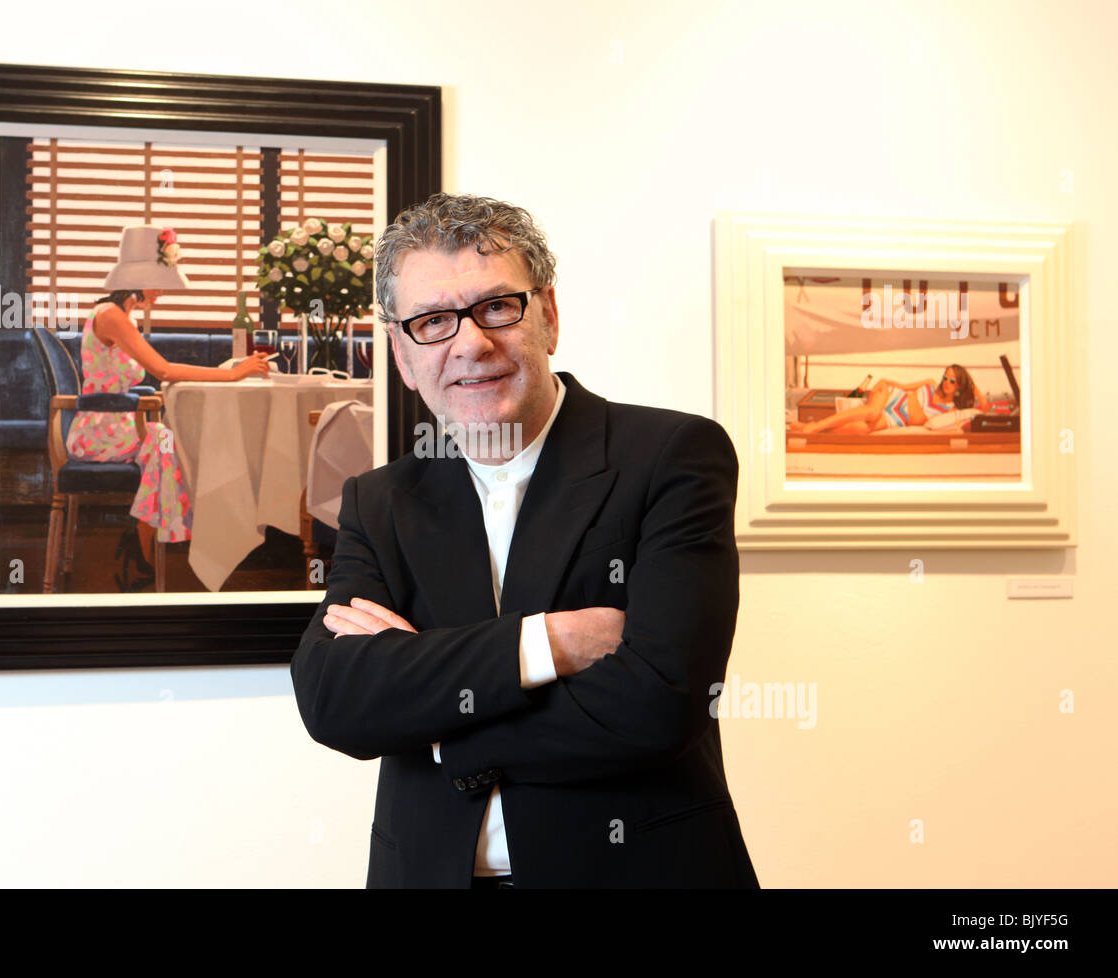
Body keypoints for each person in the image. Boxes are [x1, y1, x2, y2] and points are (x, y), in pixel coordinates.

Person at [290, 193, 759, 888]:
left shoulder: (671, 457)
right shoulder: (381, 500)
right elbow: (336, 698)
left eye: (497, 307)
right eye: (432, 321)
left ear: (549, 316)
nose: (470, 344)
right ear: (401, 353)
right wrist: (549, 643)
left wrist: (437, 724)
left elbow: (660, 702)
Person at [66, 225, 272, 590]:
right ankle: (144, 542)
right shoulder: (110, 315)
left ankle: (143, 538)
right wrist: (234, 374)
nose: (161, 292)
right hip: (98, 430)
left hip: (117, 424)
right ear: (136, 279)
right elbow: (162, 370)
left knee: (168, 440)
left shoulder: (121, 314)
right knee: (166, 443)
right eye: (157, 283)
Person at [788, 364, 990, 435]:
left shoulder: (952, 410)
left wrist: (973, 387)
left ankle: (814, 428)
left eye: (953, 380)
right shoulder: (930, 383)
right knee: (872, 412)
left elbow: (984, 409)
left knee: (863, 428)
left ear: (960, 385)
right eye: (945, 377)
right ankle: (816, 426)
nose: (946, 382)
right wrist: (885, 382)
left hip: (896, 419)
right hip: (892, 396)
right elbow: (903, 387)